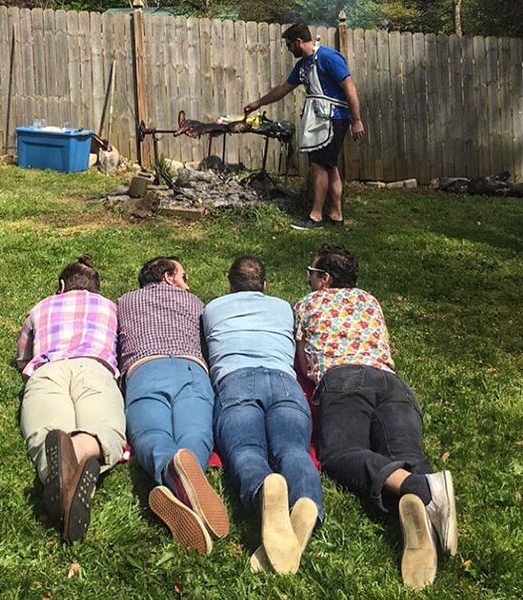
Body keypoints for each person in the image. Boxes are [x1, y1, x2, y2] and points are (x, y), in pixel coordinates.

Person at [294, 245, 458, 590]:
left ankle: (419, 488)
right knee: (408, 456)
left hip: (344, 378)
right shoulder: (370, 300)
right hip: (391, 383)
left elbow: (303, 363)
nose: (309, 279)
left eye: (311, 272)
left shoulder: (308, 304)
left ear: (325, 279)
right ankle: (423, 517)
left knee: (340, 453)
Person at [202, 255, 323, 574]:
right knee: (293, 450)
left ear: (229, 285)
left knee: (246, 450)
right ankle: (306, 503)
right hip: (284, 382)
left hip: (236, 381)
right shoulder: (283, 307)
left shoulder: (213, 308)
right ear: (265, 285)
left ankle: (263, 491)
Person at [117, 256, 229, 555]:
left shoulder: (124, 302)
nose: (187, 285)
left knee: (150, 433)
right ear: (168, 276)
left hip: (145, 370)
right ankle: (188, 474)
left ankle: (170, 471)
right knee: (196, 433)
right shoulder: (196, 304)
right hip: (192, 370)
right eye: (183, 276)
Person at [17, 255, 126, 543]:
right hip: (94, 368)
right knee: (107, 430)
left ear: (62, 286)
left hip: (48, 369)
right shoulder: (112, 308)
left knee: (45, 432)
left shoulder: (41, 306)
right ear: (96, 288)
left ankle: (62, 472)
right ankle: (82, 451)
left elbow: (22, 355)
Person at [244, 23, 365, 230]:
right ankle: (336, 216)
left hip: (332, 118)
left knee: (318, 166)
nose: (289, 49)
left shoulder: (329, 57)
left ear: (299, 42)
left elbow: (349, 87)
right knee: (329, 166)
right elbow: (284, 88)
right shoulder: (304, 65)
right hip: (319, 119)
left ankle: (316, 216)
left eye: (289, 45)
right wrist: (258, 103)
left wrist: (356, 120)